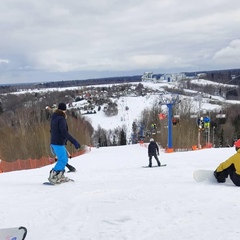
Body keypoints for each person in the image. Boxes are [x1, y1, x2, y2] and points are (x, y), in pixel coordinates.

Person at [48, 102, 80, 184]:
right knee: (63, 160)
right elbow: (64, 132)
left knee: (64, 159)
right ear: (64, 110)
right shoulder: (61, 119)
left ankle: (60, 175)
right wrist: (74, 141)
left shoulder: (54, 117)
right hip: (58, 143)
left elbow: (52, 130)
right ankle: (53, 175)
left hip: (55, 142)